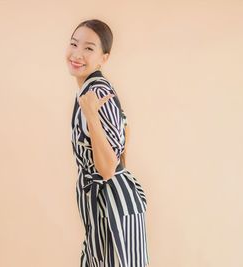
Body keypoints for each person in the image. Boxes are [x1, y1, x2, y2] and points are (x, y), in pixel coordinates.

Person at [66, 19, 150, 267]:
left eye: (89, 48)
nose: (77, 53)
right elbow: (125, 130)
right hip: (109, 203)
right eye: (73, 44)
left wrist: (91, 115)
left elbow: (107, 169)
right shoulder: (93, 89)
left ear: (104, 58)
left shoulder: (96, 92)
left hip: (112, 205)